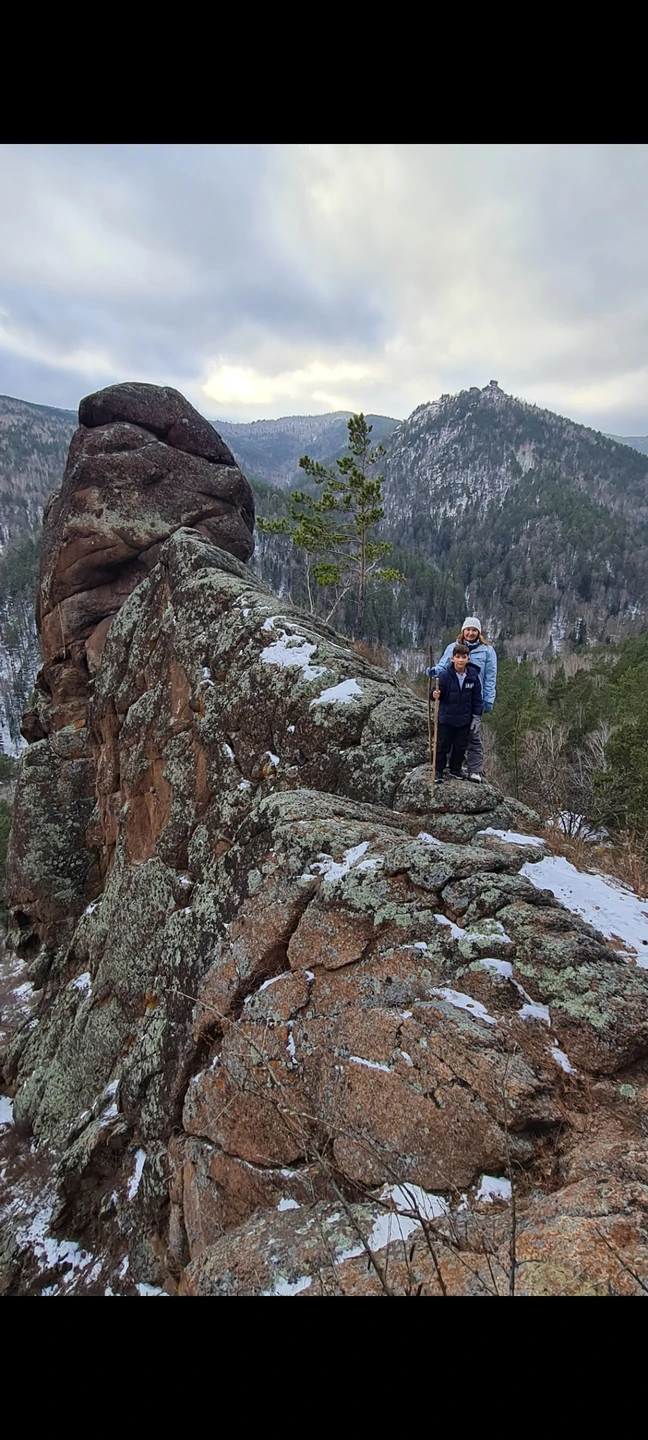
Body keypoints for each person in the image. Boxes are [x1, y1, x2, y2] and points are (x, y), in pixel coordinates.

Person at [426, 616, 497, 782]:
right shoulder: (453, 647)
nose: (470, 633)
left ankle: (475, 770)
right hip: (452, 698)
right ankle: (449, 768)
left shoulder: (487, 651)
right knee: (450, 737)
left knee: (472, 736)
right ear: (463, 631)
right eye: (468, 629)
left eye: (474, 630)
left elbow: (490, 677)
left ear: (478, 632)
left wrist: (488, 701)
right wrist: (433, 672)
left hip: (472, 699)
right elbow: (443, 667)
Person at [432, 643, 483, 783]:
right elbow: (435, 693)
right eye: (458, 657)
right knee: (442, 746)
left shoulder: (473, 677)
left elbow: (477, 699)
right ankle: (437, 771)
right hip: (446, 719)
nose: (460, 660)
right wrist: (435, 694)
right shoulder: (444, 676)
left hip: (464, 720)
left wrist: (476, 717)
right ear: (452, 658)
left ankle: (455, 769)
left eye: (464, 657)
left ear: (468, 659)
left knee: (460, 747)